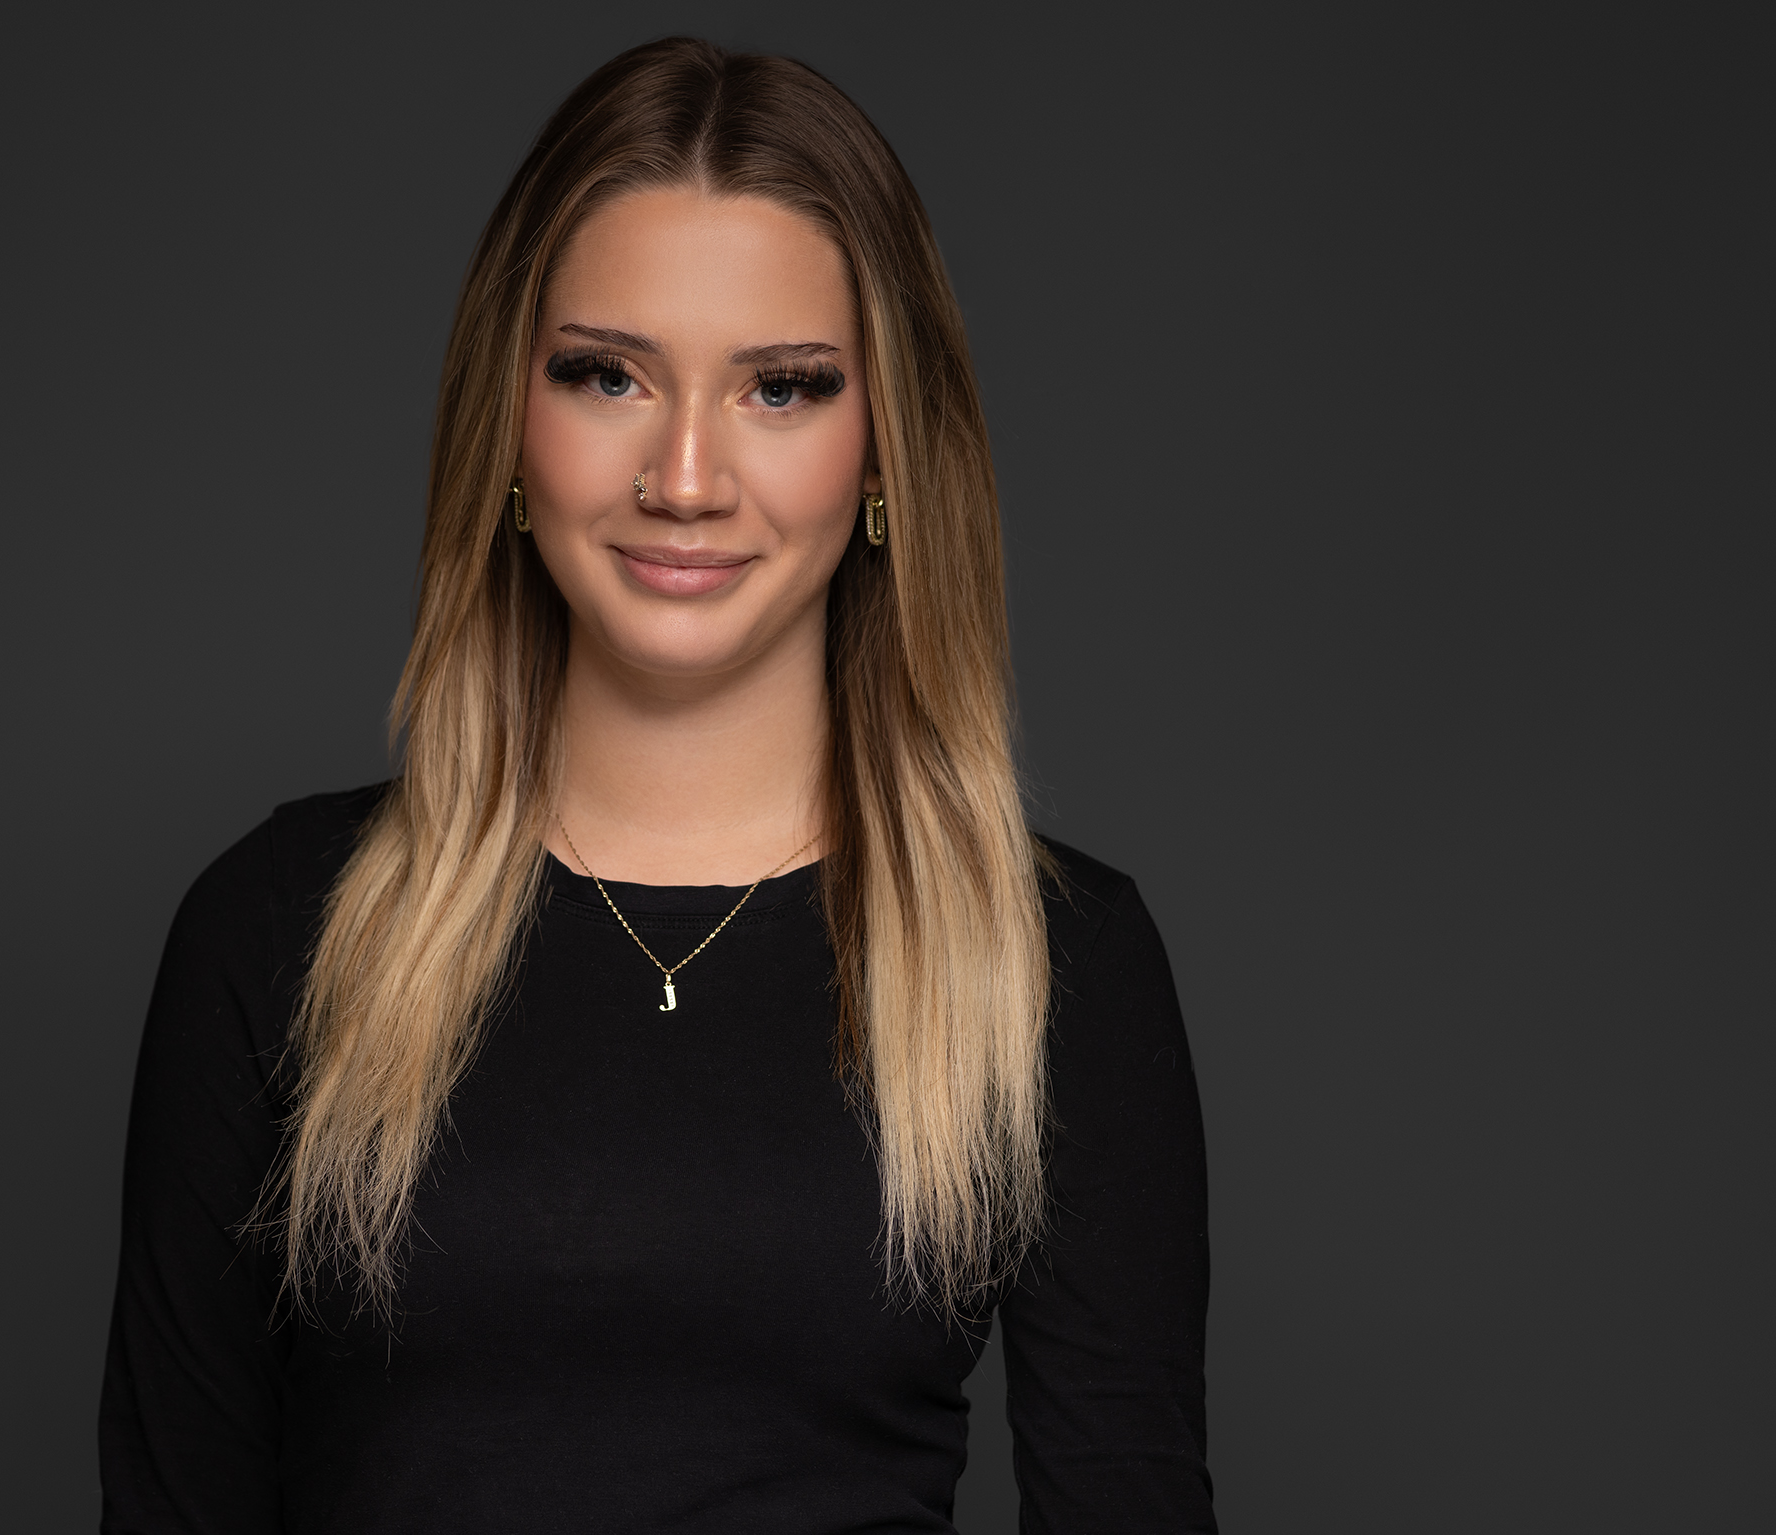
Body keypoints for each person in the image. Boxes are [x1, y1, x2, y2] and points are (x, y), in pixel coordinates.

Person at [99, 36, 1214, 1534]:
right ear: (510, 420)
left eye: (782, 389)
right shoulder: (277, 928)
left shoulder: (1051, 963)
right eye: (606, 375)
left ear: (884, 450)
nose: (684, 478)